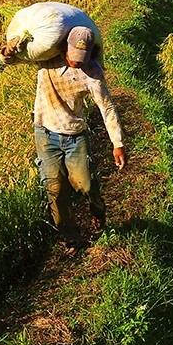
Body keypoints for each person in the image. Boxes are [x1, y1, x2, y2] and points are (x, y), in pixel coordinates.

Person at [32, 26, 125, 251]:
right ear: (64, 47)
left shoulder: (92, 72)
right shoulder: (46, 61)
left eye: (81, 58)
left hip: (75, 136)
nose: (76, 62)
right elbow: (12, 59)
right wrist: (7, 51)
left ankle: (98, 211)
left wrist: (117, 144)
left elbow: (107, 107)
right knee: (55, 189)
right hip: (45, 134)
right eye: (73, 56)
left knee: (87, 184)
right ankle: (71, 237)